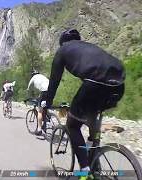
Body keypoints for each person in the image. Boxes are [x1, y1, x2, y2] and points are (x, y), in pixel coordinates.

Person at [46, 28, 125, 173]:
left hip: (95, 84)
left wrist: (48, 103)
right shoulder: (89, 48)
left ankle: (85, 169)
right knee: (91, 117)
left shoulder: (63, 50)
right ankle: (95, 162)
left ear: (62, 42)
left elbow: (54, 81)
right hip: (119, 83)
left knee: (73, 125)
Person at [27, 70, 49, 136]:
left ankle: (39, 129)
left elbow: (29, 89)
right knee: (45, 106)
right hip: (52, 90)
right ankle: (46, 122)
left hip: (44, 91)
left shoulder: (33, 78)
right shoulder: (43, 77)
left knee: (40, 111)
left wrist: (29, 96)